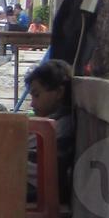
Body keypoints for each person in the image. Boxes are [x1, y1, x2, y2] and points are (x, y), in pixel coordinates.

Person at [26, 59, 76, 207]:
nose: (32, 104)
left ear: (59, 92)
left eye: (37, 95)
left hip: (34, 188)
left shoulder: (55, 127)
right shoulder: (60, 122)